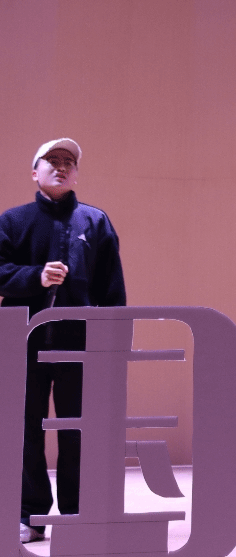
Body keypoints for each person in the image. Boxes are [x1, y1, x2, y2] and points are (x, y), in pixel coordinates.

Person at [0, 139, 126, 543]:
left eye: (68, 161)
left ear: (76, 173)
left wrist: (114, 346)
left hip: (80, 346)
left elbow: (112, 290)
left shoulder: (95, 221)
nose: (61, 166)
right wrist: (34, 277)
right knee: (25, 431)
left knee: (79, 430)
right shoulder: (13, 221)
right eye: (51, 160)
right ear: (34, 172)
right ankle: (29, 516)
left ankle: (78, 515)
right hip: (23, 345)